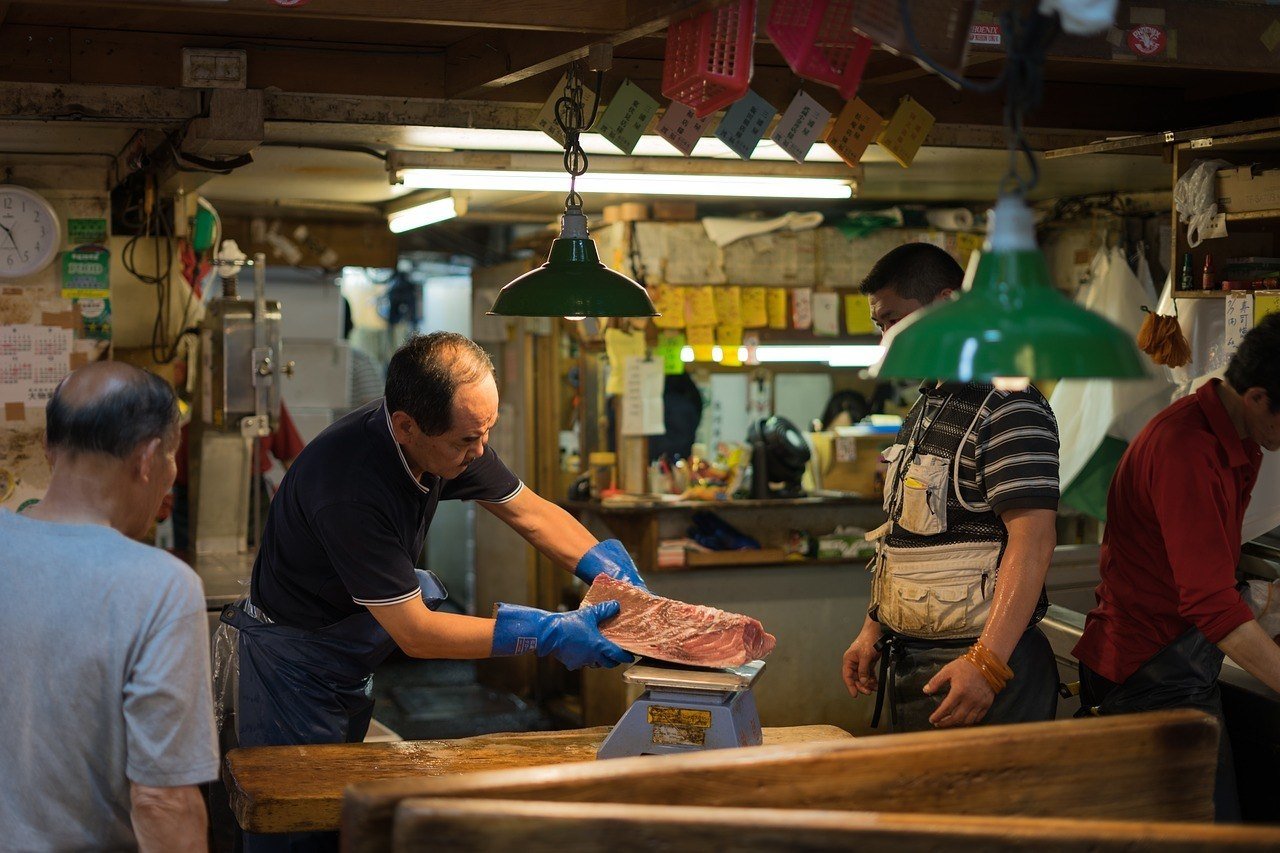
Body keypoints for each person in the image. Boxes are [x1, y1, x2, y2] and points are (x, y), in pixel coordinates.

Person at [224, 331, 643, 851]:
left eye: (485, 432)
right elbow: (417, 633)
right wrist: (548, 633)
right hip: (293, 665)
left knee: (336, 810)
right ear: (405, 426)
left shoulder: (448, 441)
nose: (480, 450)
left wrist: (606, 572)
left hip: (348, 648)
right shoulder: (351, 488)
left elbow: (530, 513)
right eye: (467, 440)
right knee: (295, 822)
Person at [841, 242, 1062, 732]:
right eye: (881, 327)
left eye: (893, 320)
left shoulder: (1009, 405)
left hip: (983, 675)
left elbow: (1034, 541)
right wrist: (874, 628)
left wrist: (986, 665)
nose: (887, 341)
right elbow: (905, 535)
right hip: (921, 665)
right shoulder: (929, 404)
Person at [0, 363, 218, 850]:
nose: (172, 475)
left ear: (48, 447)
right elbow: (163, 802)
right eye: (173, 456)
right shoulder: (160, 587)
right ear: (147, 459)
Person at [1073, 313, 1280, 821]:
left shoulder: (1236, 436)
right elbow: (1209, 603)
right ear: (1256, 397)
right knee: (1200, 835)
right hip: (1151, 671)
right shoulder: (1186, 447)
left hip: (1173, 659)